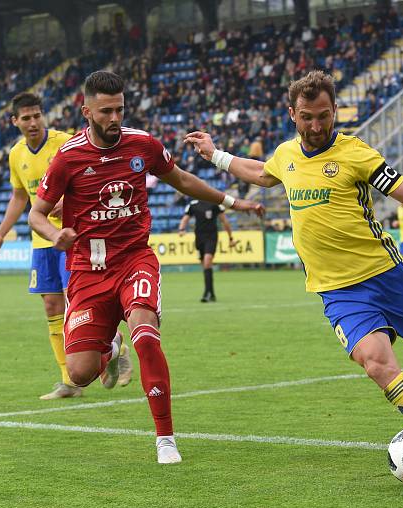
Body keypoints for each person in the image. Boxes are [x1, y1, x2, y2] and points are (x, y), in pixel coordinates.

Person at [185, 70, 403, 483]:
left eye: (324, 115)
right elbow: (260, 174)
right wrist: (216, 154)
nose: (316, 126)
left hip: (386, 276)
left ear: (334, 111)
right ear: (292, 113)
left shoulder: (356, 155)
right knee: (377, 364)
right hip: (338, 291)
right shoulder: (287, 155)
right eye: (307, 117)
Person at [28, 71, 263, 464]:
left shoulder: (144, 145)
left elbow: (184, 181)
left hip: (134, 257)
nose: (114, 117)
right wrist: (55, 234)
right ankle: (108, 344)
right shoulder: (68, 157)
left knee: (146, 334)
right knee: (81, 372)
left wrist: (233, 202)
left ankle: (165, 438)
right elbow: (36, 214)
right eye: (105, 111)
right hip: (87, 269)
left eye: (119, 108)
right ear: (86, 111)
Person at [0, 92, 131, 401]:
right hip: (42, 240)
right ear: (15, 122)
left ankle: (111, 342)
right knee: (51, 306)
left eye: (37, 115)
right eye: (26, 118)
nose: (33, 122)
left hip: (73, 237)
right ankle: (69, 381)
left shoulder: (66, 143)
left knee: (75, 305)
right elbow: (20, 198)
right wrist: (0, 233)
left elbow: (97, 177)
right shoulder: (16, 155)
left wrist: (65, 200)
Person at [177, 199, 236, 302]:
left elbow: (224, 221)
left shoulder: (215, 203)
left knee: (207, 261)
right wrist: (181, 229)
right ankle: (211, 293)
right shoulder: (193, 204)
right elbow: (185, 218)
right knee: (204, 265)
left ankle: (207, 293)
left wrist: (231, 238)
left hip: (211, 237)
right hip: (199, 238)